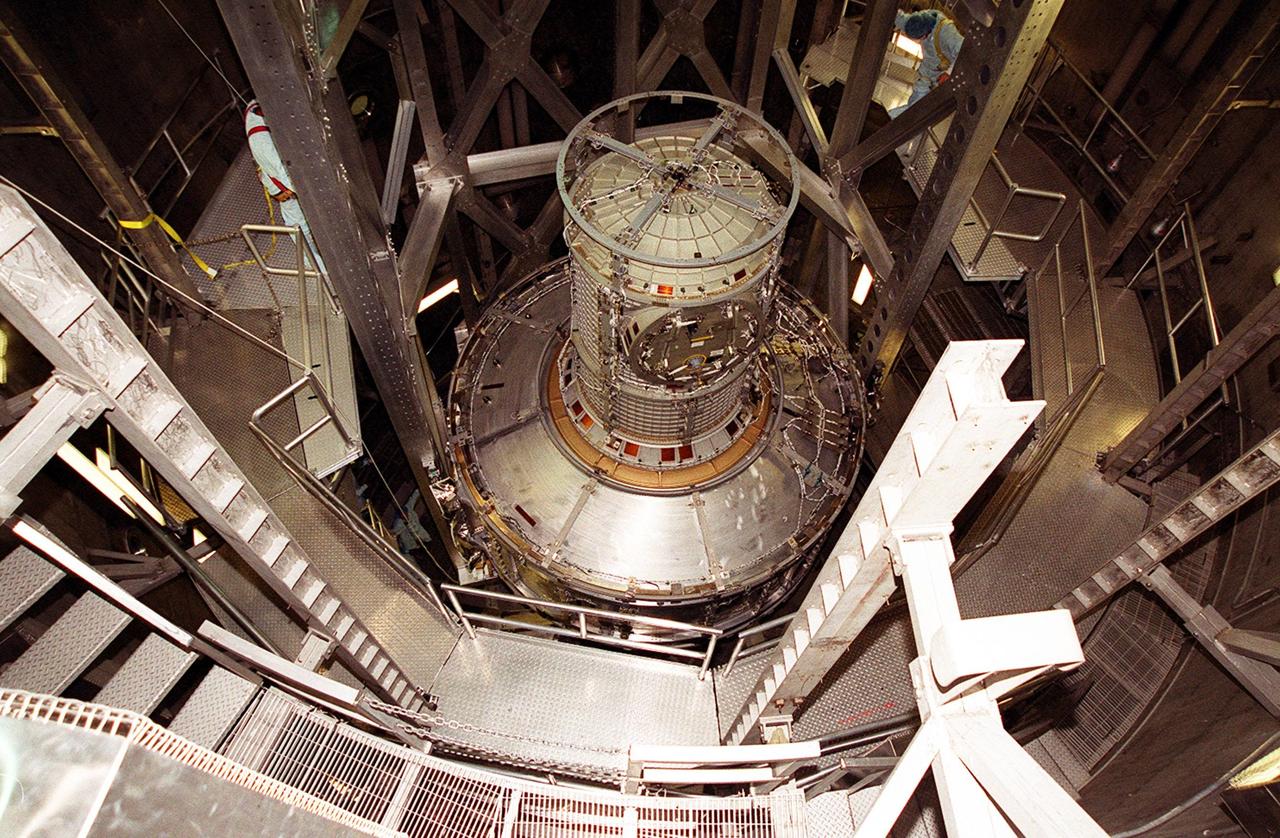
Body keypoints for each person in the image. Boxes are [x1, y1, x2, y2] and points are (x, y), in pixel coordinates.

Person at [243, 100, 326, 273]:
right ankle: (320, 268)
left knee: (299, 225)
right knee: (299, 228)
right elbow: (287, 178)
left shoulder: (255, 109)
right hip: (284, 190)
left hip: (279, 180)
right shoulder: (263, 142)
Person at [889, 9, 964, 118]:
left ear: (926, 34)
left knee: (917, 110)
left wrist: (949, 73)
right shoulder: (914, 22)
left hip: (940, 77)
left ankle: (891, 119)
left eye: (919, 39)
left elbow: (964, 51)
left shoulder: (946, 33)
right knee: (915, 108)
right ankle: (891, 119)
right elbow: (897, 16)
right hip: (926, 74)